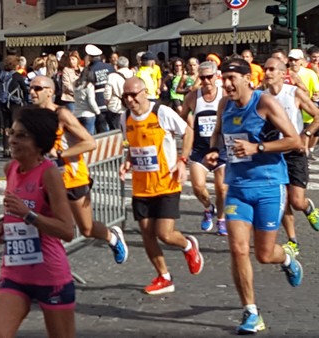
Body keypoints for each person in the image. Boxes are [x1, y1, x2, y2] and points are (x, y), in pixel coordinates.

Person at [205, 58, 304, 334]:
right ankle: (250, 312)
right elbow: (218, 134)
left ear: (248, 78)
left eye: (231, 78)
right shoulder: (224, 104)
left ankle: (286, 259)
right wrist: (214, 152)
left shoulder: (264, 103)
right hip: (237, 188)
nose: (225, 84)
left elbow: (294, 141)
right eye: (223, 78)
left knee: (263, 254)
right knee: (237, 249)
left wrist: (256, 148)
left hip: (269, 186)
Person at [0, 107, 75, 338]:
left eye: (21, 135)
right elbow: (15, 211)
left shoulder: (49, 174)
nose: (13, 140)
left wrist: (28, 215)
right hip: (14, 272)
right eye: (12, 133)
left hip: (50, 274)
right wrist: (2, 225)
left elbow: (68, 230)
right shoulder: (11, 169)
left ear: (39, 143)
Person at [29, 75, 128, 264]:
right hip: (48, 182)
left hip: (72, 177)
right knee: (47, 227)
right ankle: (50, 269)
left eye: (37, 88)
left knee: (87, 229)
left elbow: (89, 143)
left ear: (50, 92)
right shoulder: (33, 116)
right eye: (31, 88)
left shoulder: (62, 115)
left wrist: (60, 154)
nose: (32, 92)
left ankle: (113, 237)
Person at [119, 77, 203, 295]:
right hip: (141, 186)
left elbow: (188, 132)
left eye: (133, 94)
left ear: (144, 92)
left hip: (166, 182)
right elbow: (134, 144)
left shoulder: (162, 112)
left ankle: (187, 245)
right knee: (147, 233)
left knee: (164, 234)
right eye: (125, 95)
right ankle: (164, 276)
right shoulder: (124, 118)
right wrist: (127, 161)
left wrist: (182, 161)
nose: (129, 99)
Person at [263, 57, 319, 257]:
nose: (268, 73)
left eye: (272, 69)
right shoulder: (261, 97)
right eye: (265, 69)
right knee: (283, 200)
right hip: (273, 155)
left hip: (294, 153)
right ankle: (293, 241)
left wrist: (305, 135)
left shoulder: (294, 93)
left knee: (297, 201)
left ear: (283, 73)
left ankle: (308, 208)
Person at [180, 61, 228, 235]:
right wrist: (188, 129)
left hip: (221, 148)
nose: (207, 81)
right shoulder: (193, 97)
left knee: (222, 188)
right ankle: (208, 208)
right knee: (198, 187)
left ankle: (221, 220)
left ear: (217, 76)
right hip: (200, 148)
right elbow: (182, 117)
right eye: (203, 77)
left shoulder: (224, 95)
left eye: (210, 77)